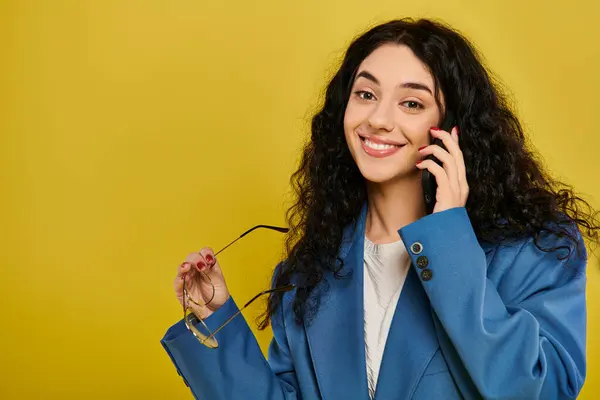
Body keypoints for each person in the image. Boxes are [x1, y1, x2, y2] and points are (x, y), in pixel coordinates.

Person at [160, 18, 599, 399]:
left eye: (411, 102)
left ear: (452, 127)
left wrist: (449, 240)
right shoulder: (306, 276)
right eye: (366, 94)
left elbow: (541, 389)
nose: (378, 120)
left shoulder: (534, 250)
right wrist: (217, 319)